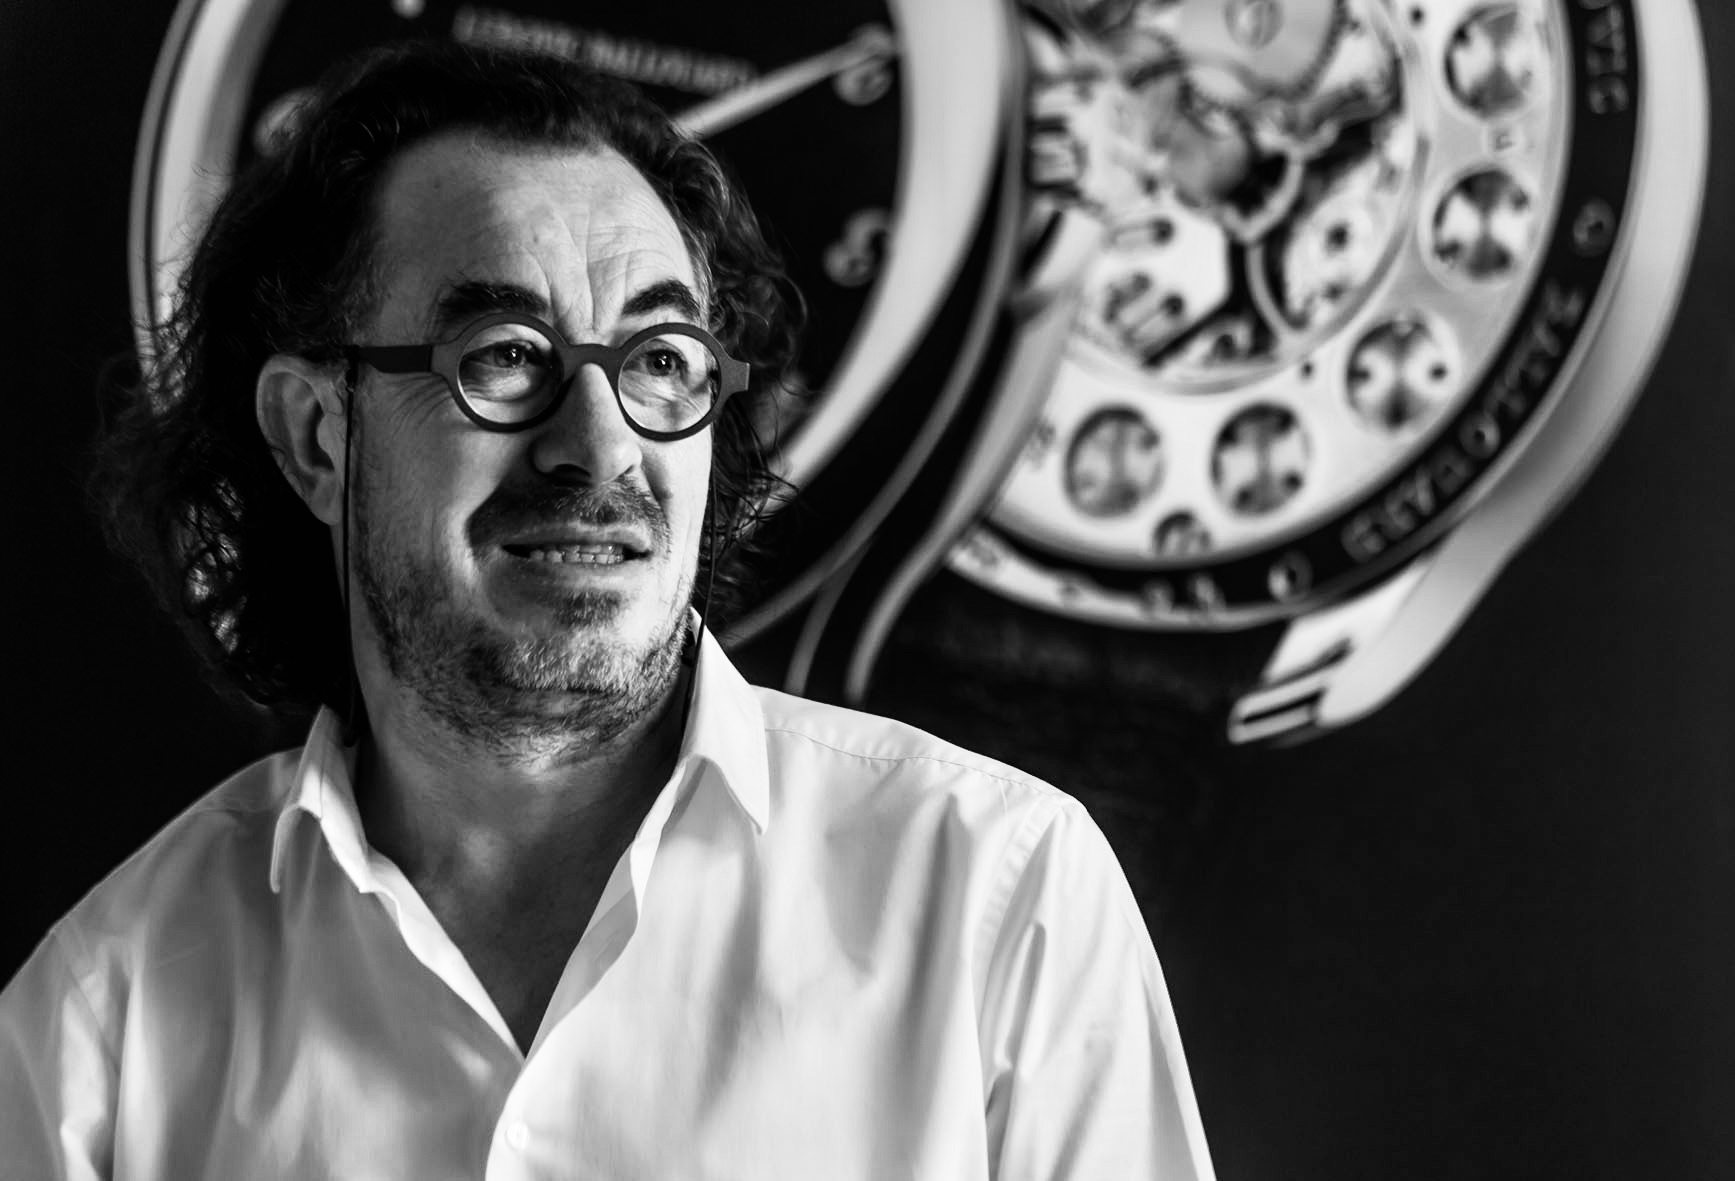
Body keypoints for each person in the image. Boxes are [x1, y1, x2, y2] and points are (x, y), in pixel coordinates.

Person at [0, 40, 1215, 1179]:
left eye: (659, 362)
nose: (600, 446)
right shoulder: (105, 1015)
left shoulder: (999, 897)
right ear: (318, 435)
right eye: (504, 354)